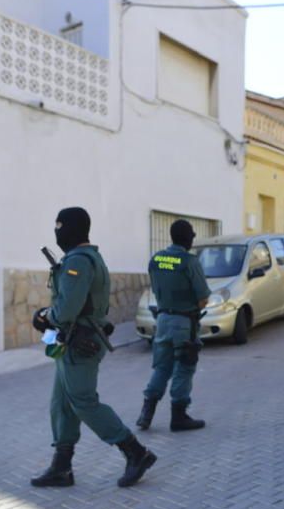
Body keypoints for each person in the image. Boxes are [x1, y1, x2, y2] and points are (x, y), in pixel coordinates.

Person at [31, 207, 157, 488]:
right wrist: (50, 317)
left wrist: (45, 317)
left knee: (84, 402)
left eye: (60, 227)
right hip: (69, 342)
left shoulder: (79, 261)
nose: (57, 233)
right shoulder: (83, 258)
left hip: (79, 344)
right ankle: (61, 466)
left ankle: (135, 452)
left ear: (73, 229)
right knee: (61, 404)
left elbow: (66, 309)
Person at [135, 220, 210, 432]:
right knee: (184, 368)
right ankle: (179, 416)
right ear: (188, 238)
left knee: (162, 367)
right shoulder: (189, 261)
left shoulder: (156, 259)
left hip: (162, 321)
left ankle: (146, 413)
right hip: (184, 323)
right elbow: (203, 299)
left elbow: (156, 289)